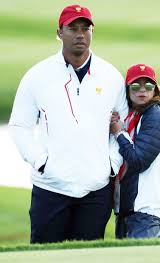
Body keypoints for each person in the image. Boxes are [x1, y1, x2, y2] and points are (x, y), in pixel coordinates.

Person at [9, 4, 128, 243]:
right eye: (72, 28)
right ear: (59, 32)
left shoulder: (110, 76)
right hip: (51, 188)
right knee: (45, 257)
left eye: (85, 28)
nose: (80, 34)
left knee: (86, 258)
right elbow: (19, 126)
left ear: (93, 32)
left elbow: (122, 126)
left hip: (95, 189)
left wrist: (111, 166)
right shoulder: (37, 75)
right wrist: (40, 162)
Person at [110, 63, 160, 239]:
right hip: (128, 210)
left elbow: (138, 160)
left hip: (146, 212)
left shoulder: (156, 119)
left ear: (155, 90)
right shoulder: (134, 116)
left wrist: (118, 133)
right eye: (136, 86)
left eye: (148, 85)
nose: (142, 90)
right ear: (128, 90)